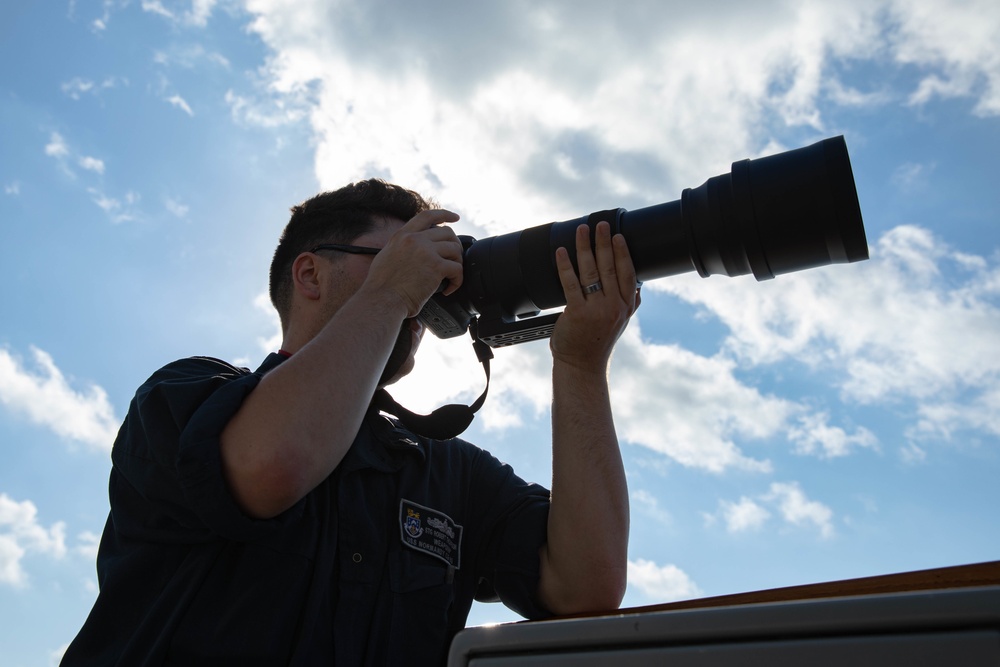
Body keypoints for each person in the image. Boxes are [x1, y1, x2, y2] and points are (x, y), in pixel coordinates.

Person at [62, 179, 640, 666]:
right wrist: (391, 292)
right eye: (396, 257)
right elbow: (273, 464)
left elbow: (584, 588)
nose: (428, 288)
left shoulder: (448, 473)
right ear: (310, 275)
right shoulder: (186, 398)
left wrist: (581, 366)